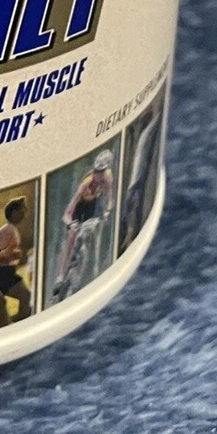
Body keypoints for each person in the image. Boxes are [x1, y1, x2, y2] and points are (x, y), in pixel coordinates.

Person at [52, 149, 115, 302]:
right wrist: (70, 224)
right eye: (97, 172)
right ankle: (60, 276)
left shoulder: (107, 177)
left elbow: (109, 198)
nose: (98, 176)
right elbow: (67, 213)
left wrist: (107, 211)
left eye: (101, 172)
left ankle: (79, 272)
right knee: (71, 238)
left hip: (91, 207)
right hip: (78, 208)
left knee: (89, 234)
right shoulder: (85, 184)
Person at [119, 102, 163, 252]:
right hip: (136, 183)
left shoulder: (146, 133)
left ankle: (128, 234)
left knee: (131, 206)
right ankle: (128, 234)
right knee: (131, 206)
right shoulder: (145, 133)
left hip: (136, 183)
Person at [0, 196, 34, 320]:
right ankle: (13, 324)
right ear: (13, 212)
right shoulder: (7, 230)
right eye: (21, 212)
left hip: (7, 272)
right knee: (26, 298)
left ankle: (13, 323)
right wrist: (13, 255)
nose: (23, 215)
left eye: (24, 212)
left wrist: (13, 256)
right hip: (2, 273)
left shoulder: (11, 229)